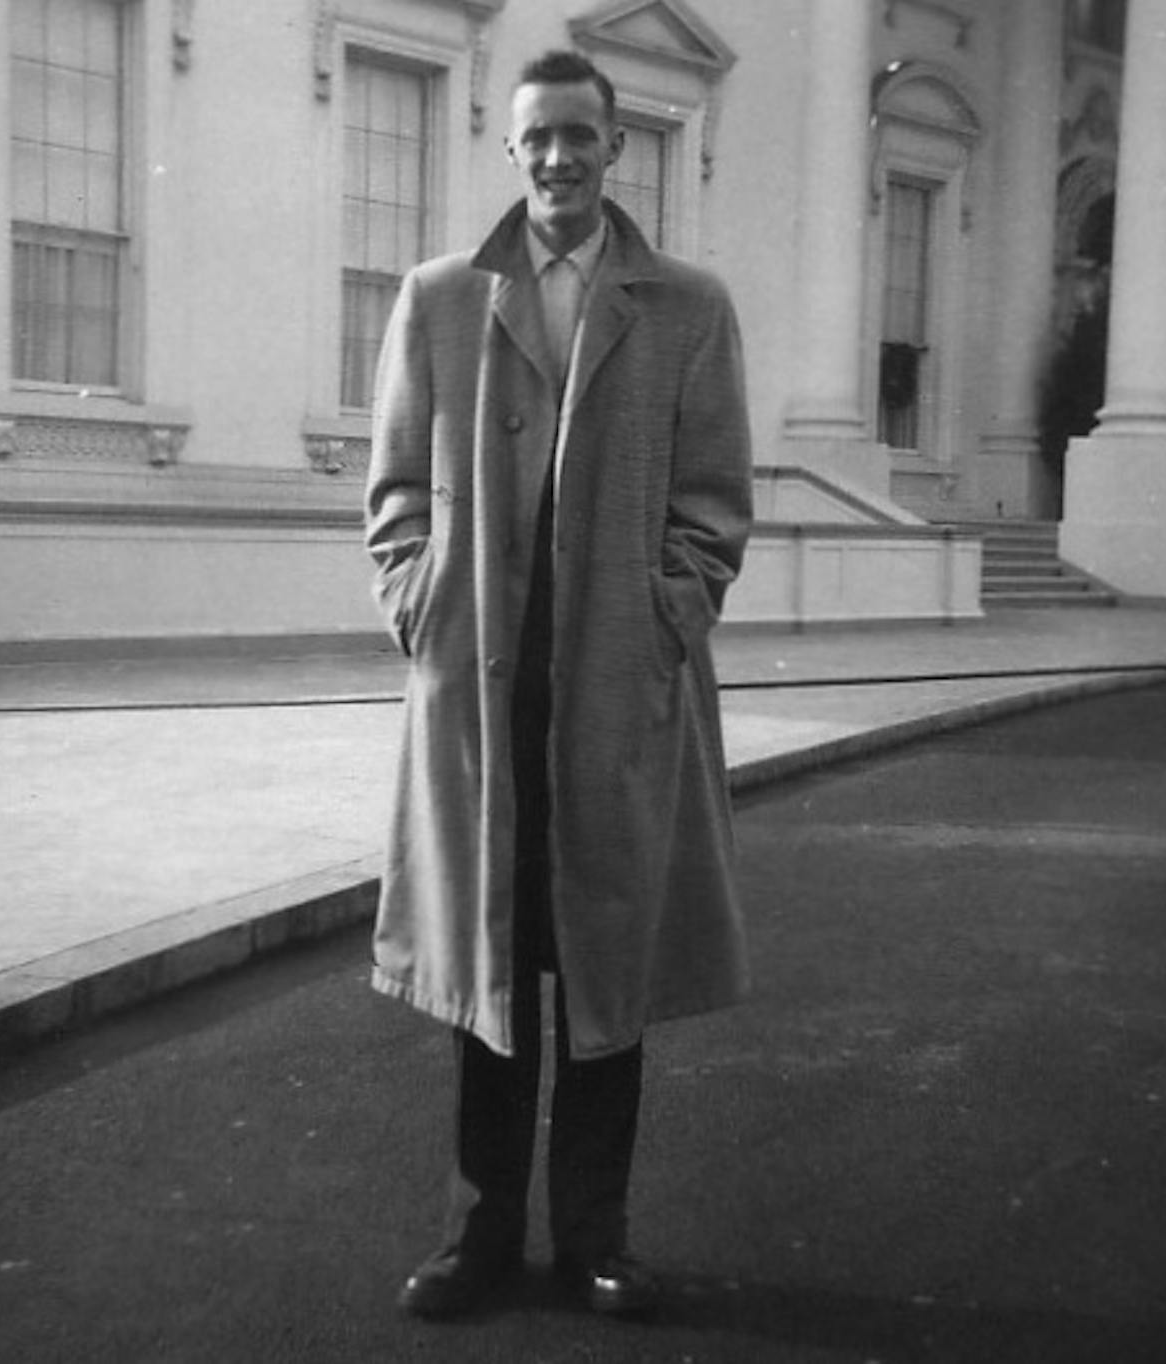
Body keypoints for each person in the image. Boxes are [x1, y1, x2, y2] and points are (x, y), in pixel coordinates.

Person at [363, 47, 753, 1321]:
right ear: (511, 148)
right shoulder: (436, 300)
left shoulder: (686, 307)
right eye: (533, 138)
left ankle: (595, 1234)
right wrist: (420, 599)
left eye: (577, 136)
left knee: (603, 977)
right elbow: (395, 502)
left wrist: (660, 623)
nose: (555, 159)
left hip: (612, 698)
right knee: (486, 978)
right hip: (481, 691)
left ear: (614, 144)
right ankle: (476, 1238)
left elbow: (711, 508)